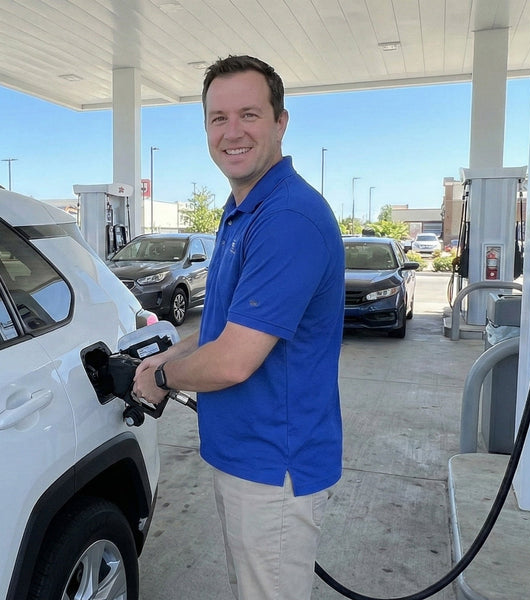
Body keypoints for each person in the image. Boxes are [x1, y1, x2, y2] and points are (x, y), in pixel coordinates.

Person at [132, 55, 345, 600]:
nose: (232, 132)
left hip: (273, 464)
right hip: (243, 455)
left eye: (248, 114)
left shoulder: (287, 219)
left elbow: (232, 360)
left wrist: (160, 380)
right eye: (217, 118)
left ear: (280, 121)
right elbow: (220, 332)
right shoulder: (239, 213)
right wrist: (163, 357)